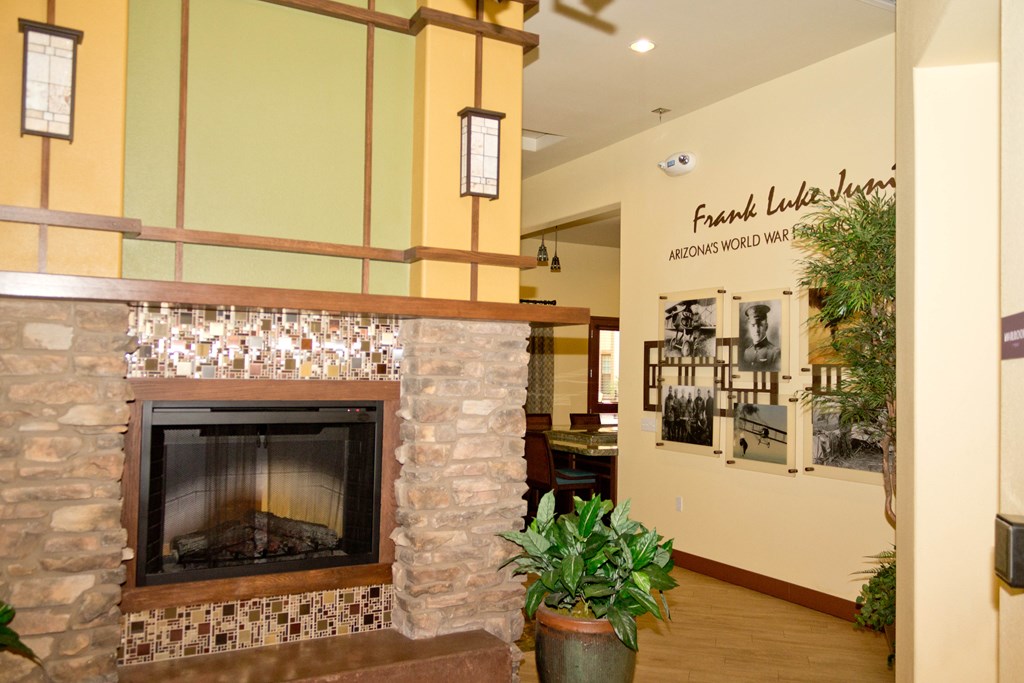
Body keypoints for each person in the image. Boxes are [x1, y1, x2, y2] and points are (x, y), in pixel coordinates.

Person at [741, 303, 781, 372]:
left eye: (760, 325)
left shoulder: (775, 352)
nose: (756, 330)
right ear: (749, 328)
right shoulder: (747, 352)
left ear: (766, 327)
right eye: (753, 325)